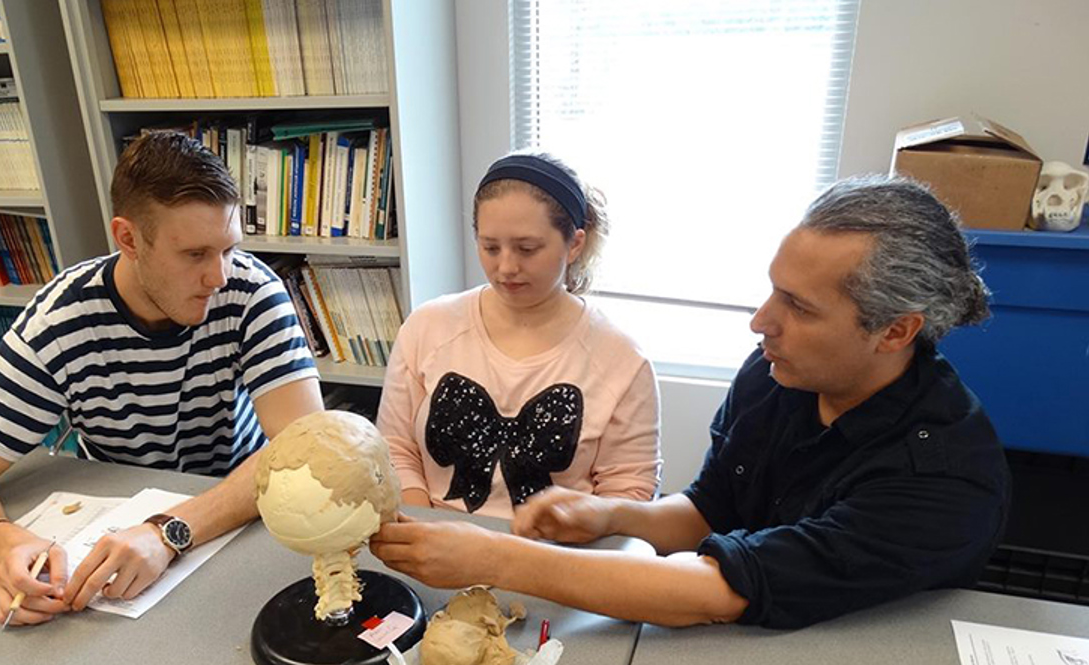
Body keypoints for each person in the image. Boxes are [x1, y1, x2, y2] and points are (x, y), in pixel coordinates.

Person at [373, 174, 1009, 629]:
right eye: (772, 293)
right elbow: (709, 510)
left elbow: (718, 590)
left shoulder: (945, 479)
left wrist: (495, 556)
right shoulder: (778, 374)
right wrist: (608, 517)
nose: (762, 322)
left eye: (800, 307)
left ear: (896, 330)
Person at [0, 131, 323, 626]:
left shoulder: (252, 293)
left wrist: (168, 532)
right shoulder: (61, 322)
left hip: (235, 511)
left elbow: (305, 446)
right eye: (195, 254)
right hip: (113, 538)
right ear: (128, 239)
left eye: (229, 248)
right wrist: (4, 543)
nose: (219, 275)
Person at [375, 151, 661, 519]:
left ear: (574, 244)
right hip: (431, 541)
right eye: (490, 247)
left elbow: (628, 495)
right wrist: (420, 527)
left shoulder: (621, 359)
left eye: (528, 249)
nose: (506, 267)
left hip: (554, 559)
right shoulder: (427, 327)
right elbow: (395, 447)